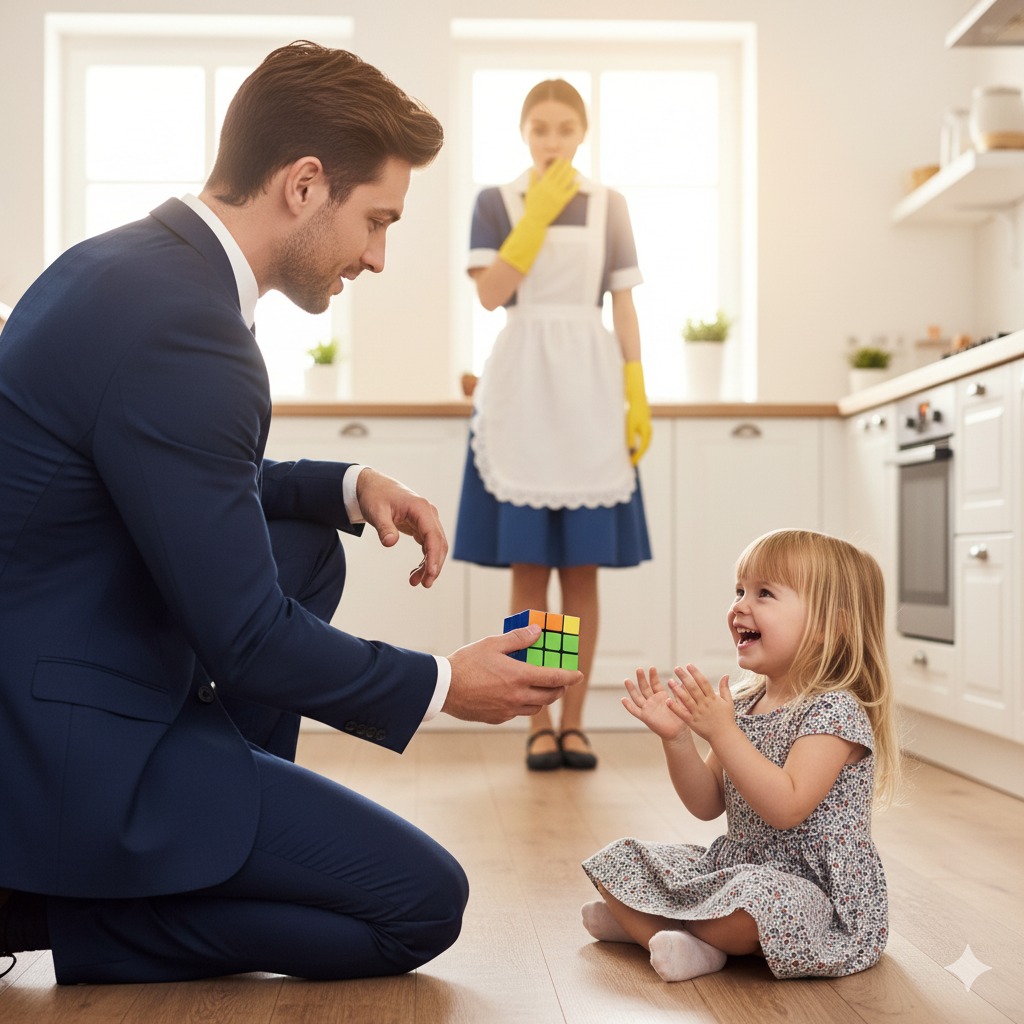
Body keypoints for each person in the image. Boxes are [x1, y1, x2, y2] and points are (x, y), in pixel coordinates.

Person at [0, 42, 582, 986]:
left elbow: (174, 479)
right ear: (306, 184)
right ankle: (64, 905)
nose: (380, 258)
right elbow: (250, 641)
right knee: (420, 906)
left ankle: (208, 826)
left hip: (55, 654)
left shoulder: (134, 268)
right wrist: (442, 684)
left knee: (308, 543)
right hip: (59, 745)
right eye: (377, 221)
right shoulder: (186, 326)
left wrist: (345, 485)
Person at [580, 529, 902, 982]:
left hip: (812, 891)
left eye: (764, 593)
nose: (739, 606)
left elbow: (787, 807)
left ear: (832, 625)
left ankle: (652, 926)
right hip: (736, 865)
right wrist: (677, 739)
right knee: (617, 860)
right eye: (740, 590)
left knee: (752, 906)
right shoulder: (747, 701)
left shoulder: (834, 710)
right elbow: (708, 802)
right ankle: (670, 936)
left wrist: (724, 732)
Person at [453, 79, 652, 773]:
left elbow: (623, 304)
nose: (552, 139)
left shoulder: (610, 206)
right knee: (531, 572)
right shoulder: (496, 203)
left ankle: (574, 722)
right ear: (523, 131)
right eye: (539, 127)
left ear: (583, 132)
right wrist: (533, 218)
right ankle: (534, 720)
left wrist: (636, 386)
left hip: (591, 390)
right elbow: (490, 294)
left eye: (565, 128)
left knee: (583, 574)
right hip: (524, 388)